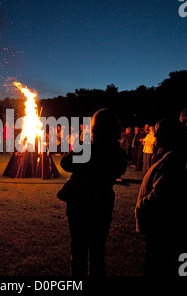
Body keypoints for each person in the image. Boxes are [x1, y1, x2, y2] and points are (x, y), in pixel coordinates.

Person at [58, 108, 127, 276]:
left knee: (79, 251)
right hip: (103, 202)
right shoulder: (119, 153)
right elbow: (117, 171)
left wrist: (82, 143)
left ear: (95, 127)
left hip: (80, 204)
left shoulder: (87, 148)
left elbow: (65, 164)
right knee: (98, 251)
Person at [135, 118, 187, 276]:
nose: (155, 136)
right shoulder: (168, 157)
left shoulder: (173, 161)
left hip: (166, 232)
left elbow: (160, 196)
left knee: (162, 268)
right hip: (164, 231)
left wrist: (141, 206)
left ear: (170, 136)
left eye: (159, 132)